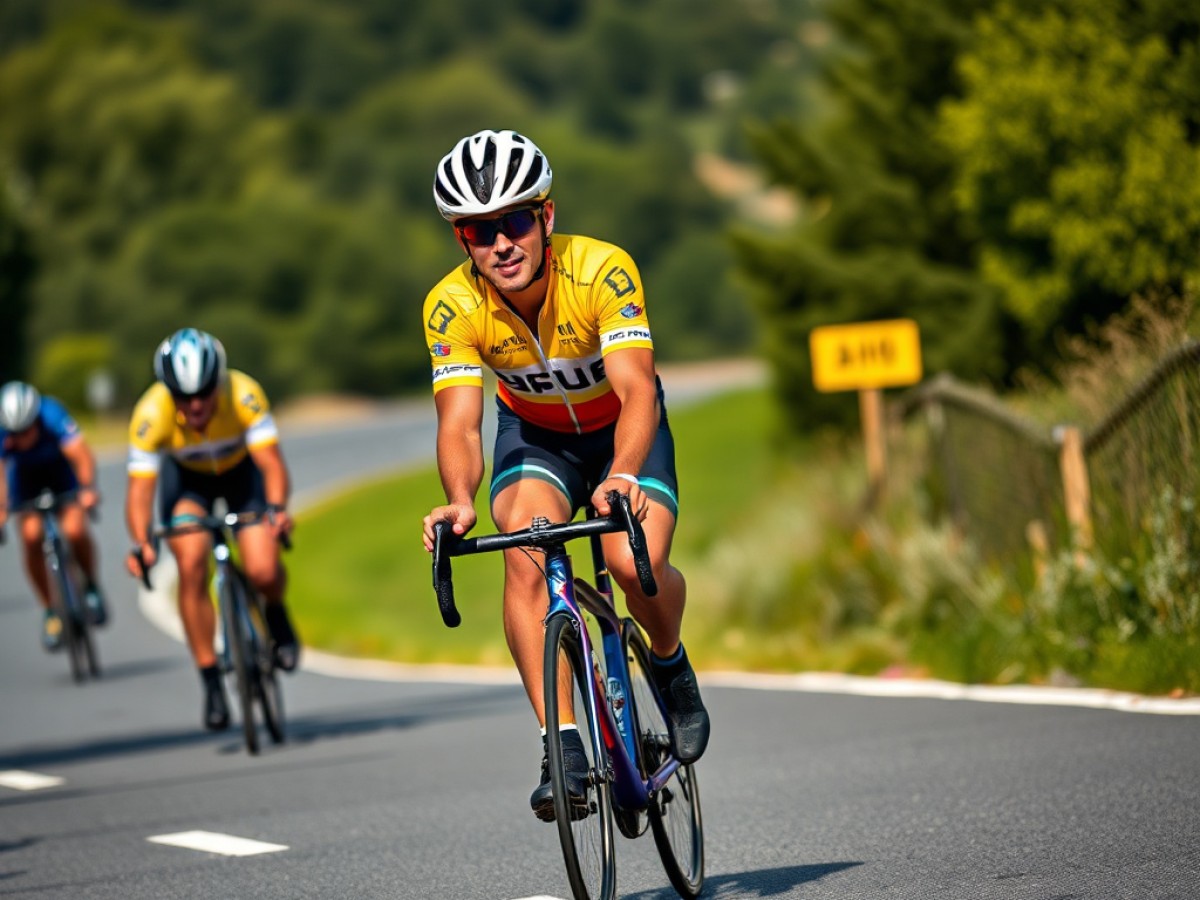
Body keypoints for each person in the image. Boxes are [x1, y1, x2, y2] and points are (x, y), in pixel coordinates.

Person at [420, 129, 710, 820]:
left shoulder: (602, 270)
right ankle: (563, 744)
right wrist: (458, 500)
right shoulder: (450, 306)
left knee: (630, 559)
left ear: (546, 217)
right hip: (538, 440)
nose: (502, 244)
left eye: (516, 220)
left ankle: (667, 659)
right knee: (522, 546)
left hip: (621, 432)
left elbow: (637, 390)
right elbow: (459, 423)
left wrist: (626, 473)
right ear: (463, 240)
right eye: (480, 231)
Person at [124, 328, 299, 731]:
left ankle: (275, 612)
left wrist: (276, 509)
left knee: (263, 569)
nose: (197, 404)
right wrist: (141, 542)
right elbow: (139, 492)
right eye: (184, 397)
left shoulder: (244, 394)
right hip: (188, 485)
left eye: (205, 392)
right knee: (190, 561)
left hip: (242, 475)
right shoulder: (150, 415)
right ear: (168, 392)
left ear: (219, 380)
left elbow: (271, 464)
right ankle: (212, 684)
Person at [0, 381, 108, 649]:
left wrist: (87, 489)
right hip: (25, 483)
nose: (23, 437)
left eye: (27, 430)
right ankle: (50, 609)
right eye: (17, 433)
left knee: (75, 530)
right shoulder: (3, 432)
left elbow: (81, 456)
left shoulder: (52, 415)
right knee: (31, 536)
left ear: (36, 419)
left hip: (62, 477)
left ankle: (92, 586)